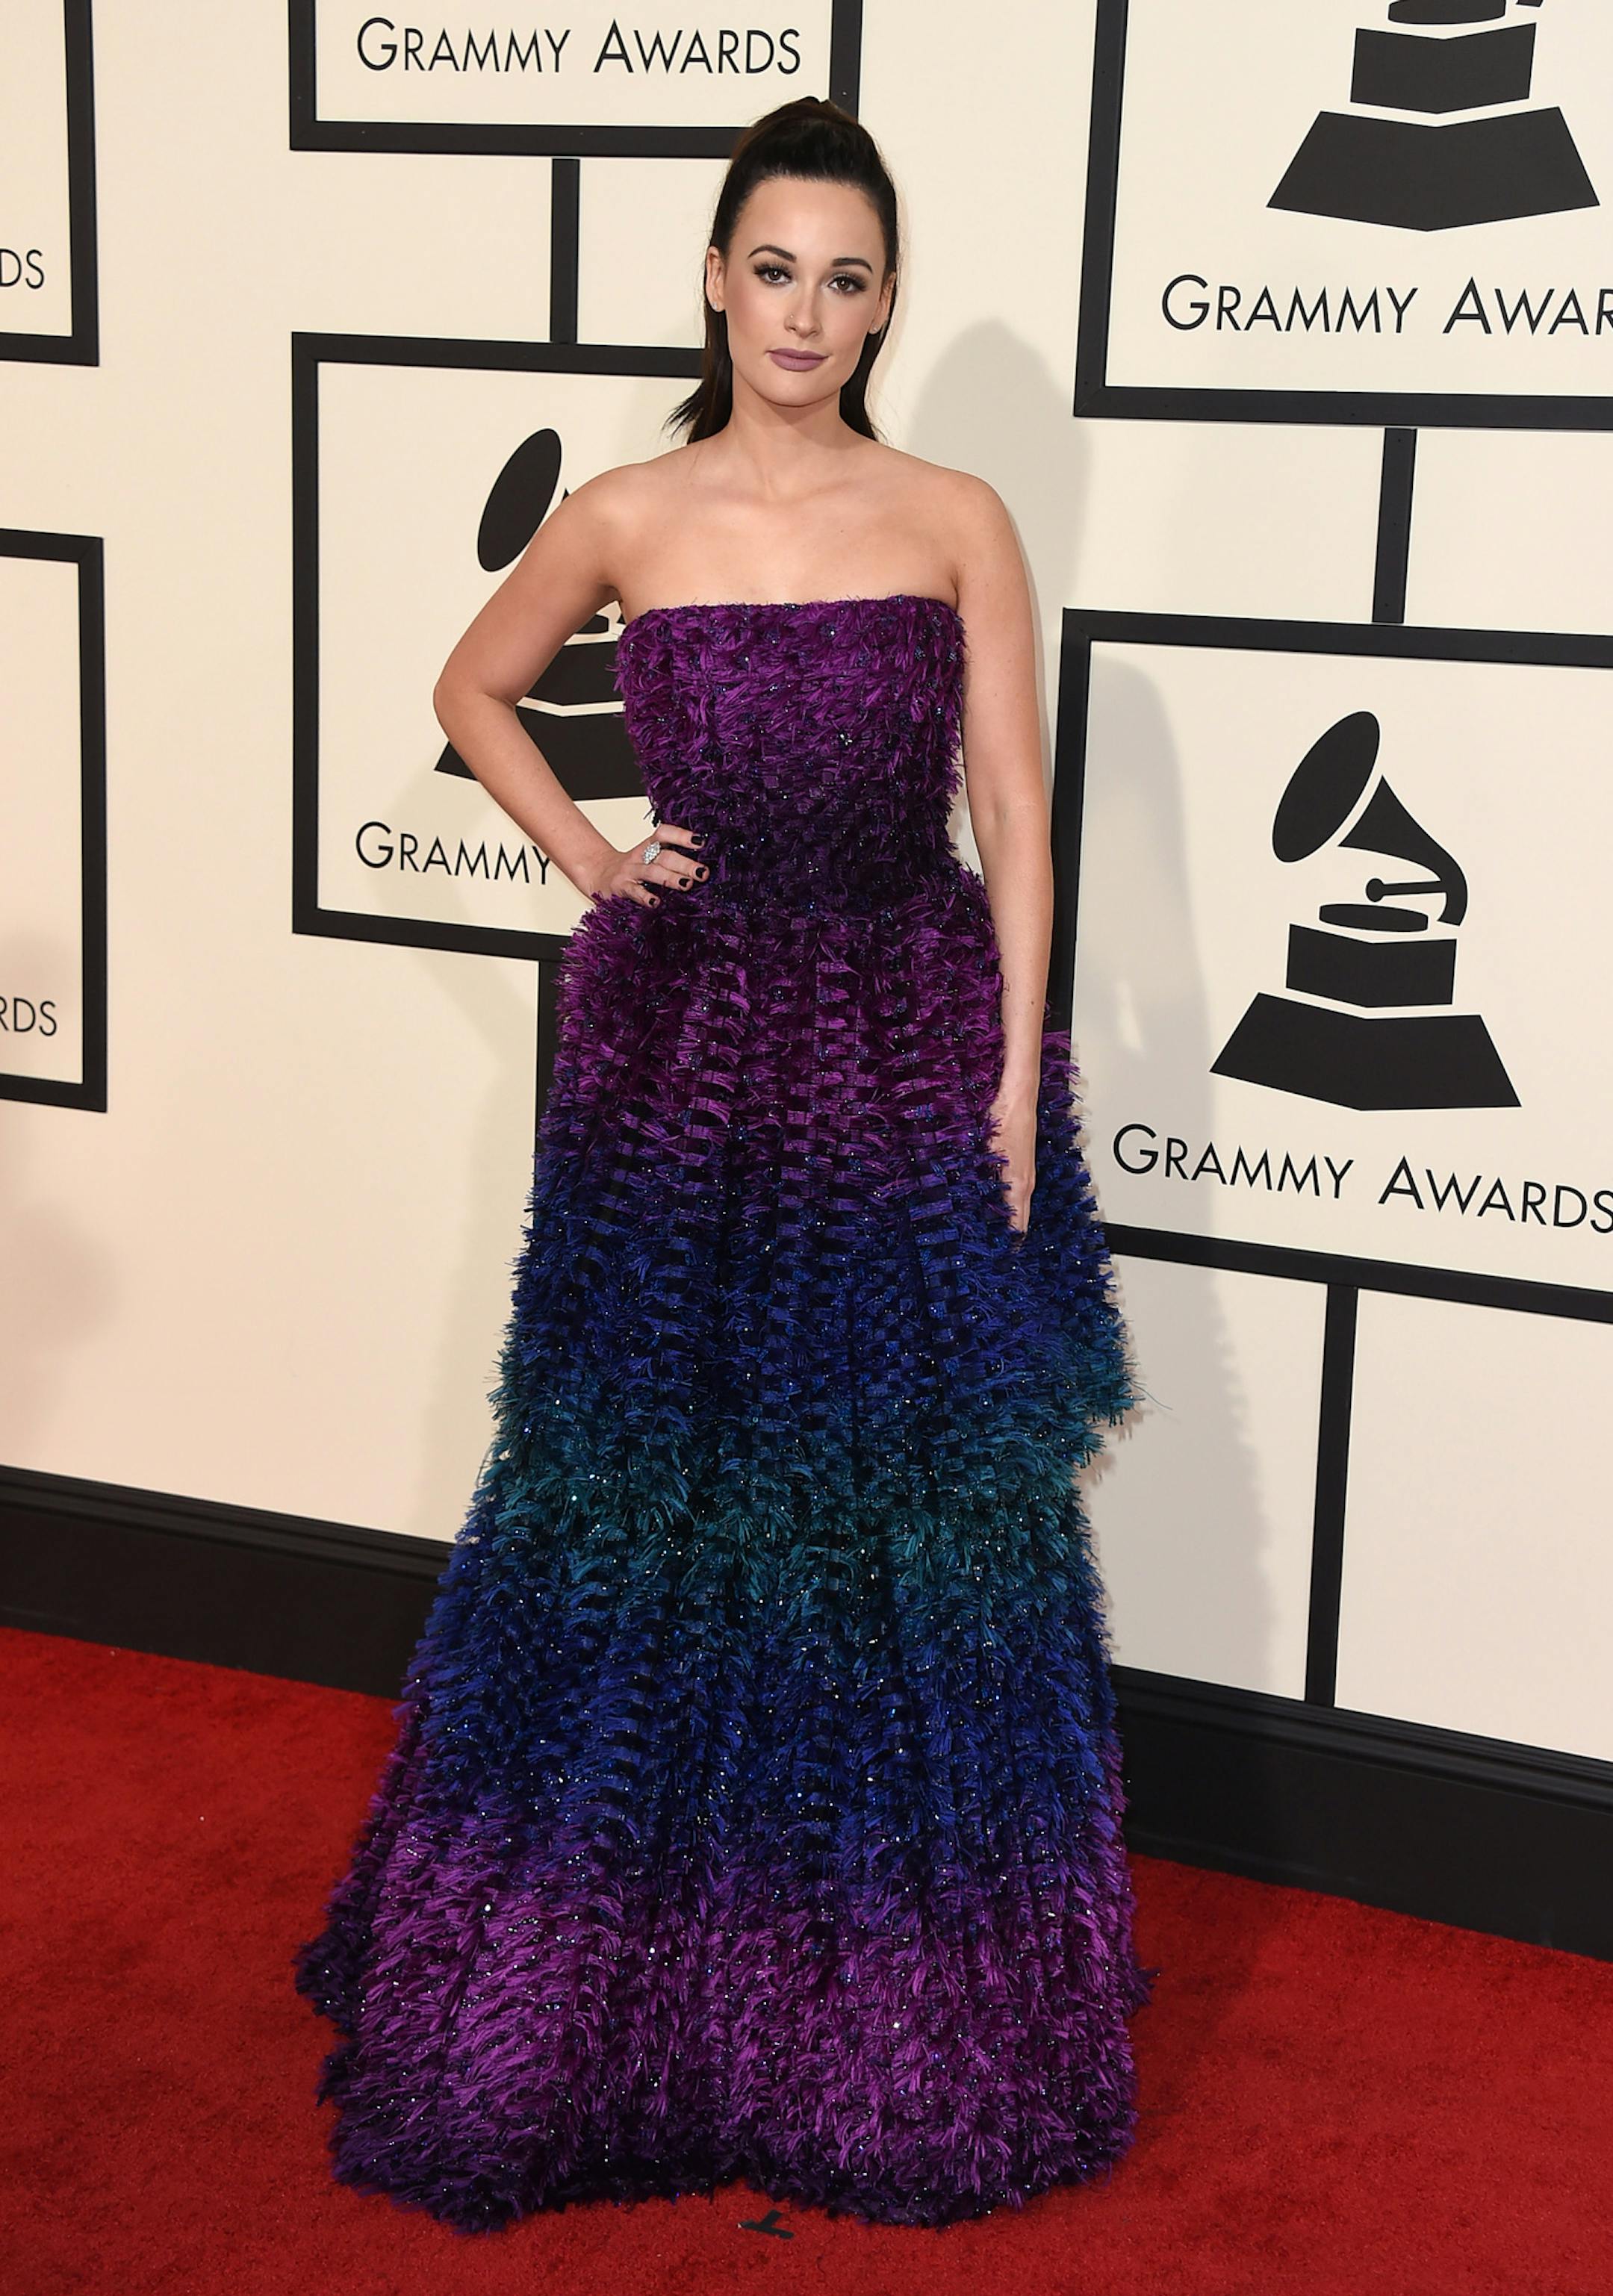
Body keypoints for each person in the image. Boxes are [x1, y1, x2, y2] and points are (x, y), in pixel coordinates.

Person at [293, 93, 1154, 2233]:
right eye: (774, 268)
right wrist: (595, 859)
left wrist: (1014, 1080)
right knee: (641, 1485)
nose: (806, 311)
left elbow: (1016, 816)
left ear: (885, 303)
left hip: (902, 1036)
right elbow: (472, 688)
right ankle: (628, 1977)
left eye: (847, 278)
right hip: (683, 1058)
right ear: (713, 278)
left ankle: (893, 1994)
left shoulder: (954, 517)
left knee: (906, 1503)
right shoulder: (626, 512)